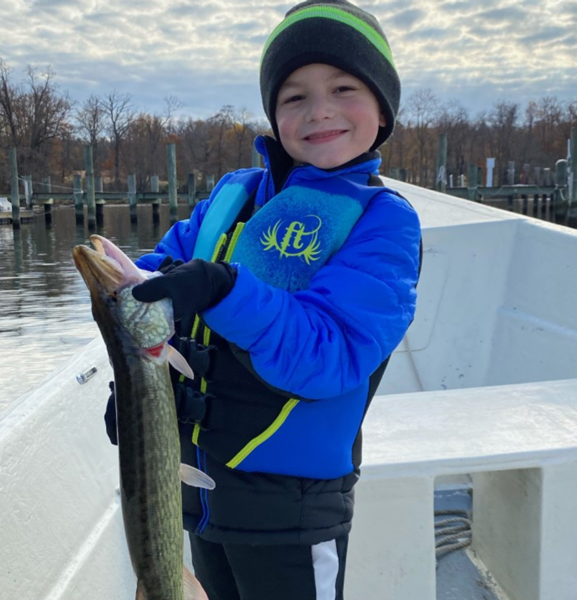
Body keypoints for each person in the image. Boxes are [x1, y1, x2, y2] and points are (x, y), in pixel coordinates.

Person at [105, 1, 422, 598]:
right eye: (294, 96)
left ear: (383, 108)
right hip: (198, 493)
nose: (319, 109)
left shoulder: (383, 223)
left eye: (343, 87)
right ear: (274, 114)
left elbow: (330, 356)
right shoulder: (232, 195)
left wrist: (224, 289)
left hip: (292, 511)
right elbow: (150, 279)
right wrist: (137, 390)